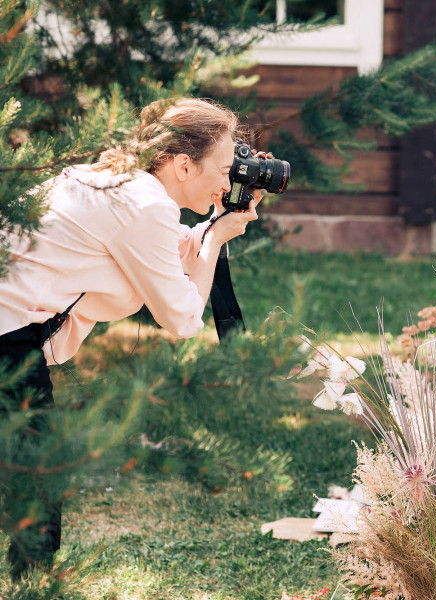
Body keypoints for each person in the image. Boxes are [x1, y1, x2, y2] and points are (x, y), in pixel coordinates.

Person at [0, 98, 260, 579]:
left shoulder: (121, 183)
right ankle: (28, 590)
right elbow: (182, 317)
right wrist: (216, 240)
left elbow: (160, 254)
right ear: (184, 165)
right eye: (225, 170)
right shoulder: (146, 205)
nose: (229, 183)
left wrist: (217, 228)